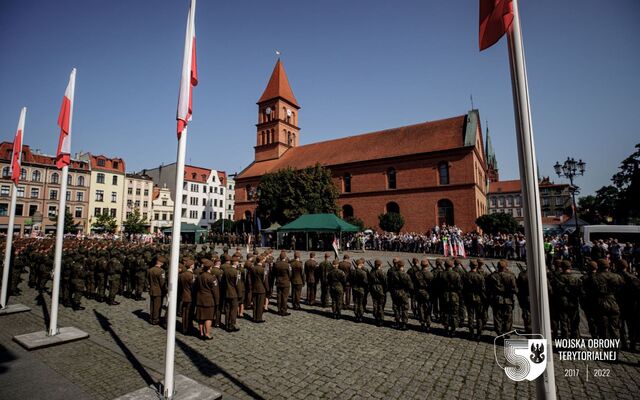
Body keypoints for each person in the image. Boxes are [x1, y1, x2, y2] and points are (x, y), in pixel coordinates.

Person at [557, 260, 582, 339]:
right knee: (574, 323)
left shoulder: (558, 278)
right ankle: (576, 342)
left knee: (564, 323)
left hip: (562, 302)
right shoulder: (576, 278)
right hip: (573, 302)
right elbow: (581, 291)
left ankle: (565, 341)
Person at [463, 259, 485, 340]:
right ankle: (479, 333)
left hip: (469, 297)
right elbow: (483, 289)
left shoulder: (465, 275)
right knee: (479, 316)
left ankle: (471, 332)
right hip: (478, 297)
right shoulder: (480, 277)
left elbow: (463, 287)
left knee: (470, 316)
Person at [196, 259, 216, 339]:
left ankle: (201, 332)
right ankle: (207, 333)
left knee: (201, 317)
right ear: (210, 267)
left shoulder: (199, 276)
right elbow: (215, 291)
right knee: (208, 317)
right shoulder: (211, 277)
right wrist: (216, 300)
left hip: (200, 298)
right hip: (208, 300)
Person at [441, 259, 462, 336]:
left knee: (445, 312)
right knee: (454, 313)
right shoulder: (456, 274)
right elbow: (459, 287)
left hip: (444, 295)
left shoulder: (441, 274)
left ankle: (446, 328)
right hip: (454, 295)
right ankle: (453, 330)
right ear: (452, 266)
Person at [413, 259, 433, 332]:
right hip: (427, 292)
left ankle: (422, 323)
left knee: (420, 307)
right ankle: (428, 323)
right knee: (428, 308)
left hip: (419, 292)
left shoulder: (417, 273)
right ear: (427, 265)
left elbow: (414, 284)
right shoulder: (430, 274)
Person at [147, 255, 166, 325]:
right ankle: (155, 319)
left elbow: (148, 280)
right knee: (157, 306)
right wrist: (165, 290)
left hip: (152, 289)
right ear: (160, 263)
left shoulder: (150, 269)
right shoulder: (161, 271)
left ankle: (151, 318)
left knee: (152, 305)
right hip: (159, 291)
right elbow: (162, 283)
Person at [272, 251, 291, 316]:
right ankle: (284, 310)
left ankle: (279, 309)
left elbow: (273, 273)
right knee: (285, 297)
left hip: (278, 282)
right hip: (285, 282)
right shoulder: (287, 265)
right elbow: (290, 274)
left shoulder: (276, 264)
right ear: (285, 257)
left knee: (279, 296)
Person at [223, 257, 240, 332]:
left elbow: (223, 282)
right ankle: (231, 325)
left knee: (227, 309)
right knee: (233, 310)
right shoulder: (236, 272)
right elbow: (238, 285)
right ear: (235, 262)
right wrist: (240, 294)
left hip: (227, 292)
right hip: (234, 293)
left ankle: (226, 324)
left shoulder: (226, 271)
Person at [368, 259, 387, 327]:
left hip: (373, 288)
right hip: (380, 288)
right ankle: (380, 319)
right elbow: (385, 281)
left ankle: (376, 317)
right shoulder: (381, 272)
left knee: (375, 303)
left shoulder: (372, 272)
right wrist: (385, 289)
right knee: (381, 304)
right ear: (380, 265)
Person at [179, 257, 195, 334]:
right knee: (189, 313)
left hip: (183, 295)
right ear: (191, 266)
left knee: (184, 312)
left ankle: (184, 327)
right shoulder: (191, 275)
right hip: (190, 296)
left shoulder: (182, 275)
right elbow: (193, 287)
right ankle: (188, 328)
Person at [251, 258, 267, 323]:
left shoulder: (252, 268)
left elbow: (250, 278)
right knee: (260, 304)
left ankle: (254, 317)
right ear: (261, 261)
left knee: (255, 304)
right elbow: (265, 280)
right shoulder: (263, 269)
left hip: (254, 288)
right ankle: (259, 318)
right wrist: (267, 288)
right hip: (261, 289)